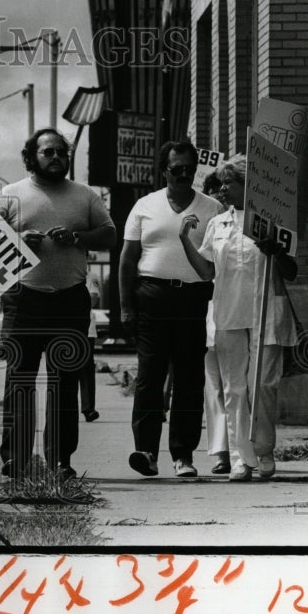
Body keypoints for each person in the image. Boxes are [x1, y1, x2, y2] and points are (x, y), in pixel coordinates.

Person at [0, 128, 117, 481]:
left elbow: (109, 234)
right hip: (23, 299)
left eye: (61, 152)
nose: (56, 157)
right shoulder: (9, 196)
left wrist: (78, 237)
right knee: (19, 381)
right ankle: (16, 459)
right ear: (32, 157)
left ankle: (60, 460)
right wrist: (17, 239)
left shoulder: (84, 195)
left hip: (69, 299)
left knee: (64, 383)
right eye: (48, 152)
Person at [179, 154, 298, 481]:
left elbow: (292, 271)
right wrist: (183, 240)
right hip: (229, 312)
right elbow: (206, 270)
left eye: (231, 182)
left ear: (250, 186)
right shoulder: (219, 224)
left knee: (261, 386)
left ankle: (264, 450)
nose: (223, 188)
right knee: (233, 390)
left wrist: (276, 249)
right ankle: (240, 460)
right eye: (223, 182)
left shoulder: (274, 220)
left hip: (265, 314)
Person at [119, 140, 224, 478]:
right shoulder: (144, 206)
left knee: (190, 377)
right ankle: (146, 451)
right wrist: (126, 306)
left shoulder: (212, 208)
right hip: (152, 297)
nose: (183, 175)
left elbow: (221, 259)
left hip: (194, 299)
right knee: (150, 377)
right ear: (163, 169)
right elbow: (127, 260)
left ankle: (183, 454)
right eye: (176, 169)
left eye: (189, 169)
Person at [200, 170, 231, 474]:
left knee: (239, 383)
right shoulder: (207, 225)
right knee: (215, 385)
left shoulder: (244, 223)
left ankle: (240, 447)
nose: (220, 196)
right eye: (214, 191)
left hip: (237, 309)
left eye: (224, 189)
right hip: (209, 309)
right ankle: (221, 451)